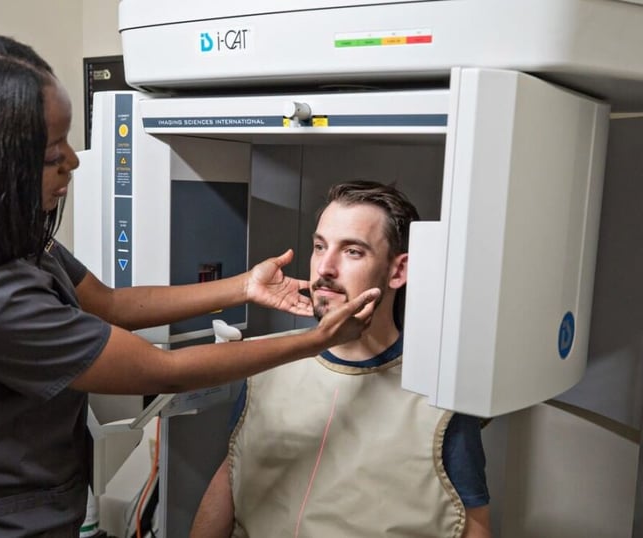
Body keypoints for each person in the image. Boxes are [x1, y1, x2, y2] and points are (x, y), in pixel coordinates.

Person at [0, 32, 381, 537]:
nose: (73, 161)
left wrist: (243, 287)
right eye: (52, 154)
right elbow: (165, 371)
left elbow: (111, 303)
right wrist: (314, 340)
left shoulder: (4, 240)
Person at [190, 181, 492, 538]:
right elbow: (231, 475)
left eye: (352, 251)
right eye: (320, 247)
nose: (325, 267)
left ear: (398, 271)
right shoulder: (265, 365)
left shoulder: (438, 397)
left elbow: (472, 523)